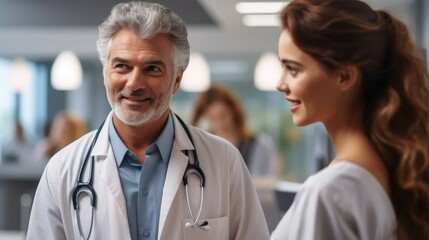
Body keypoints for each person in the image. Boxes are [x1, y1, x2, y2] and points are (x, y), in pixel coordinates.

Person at [27, 2, 269, 240]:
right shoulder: (61, 171)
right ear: (105, 74)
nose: (134, 83)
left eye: (152, 68)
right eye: (121, 66)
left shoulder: (224, 162)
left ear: (176, 79)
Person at [271, 0, 429, 239]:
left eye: (293, 69)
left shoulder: (330, 191)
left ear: (345, 77)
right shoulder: (391, 172)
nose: (280, 84)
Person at [191, 85, 277, 178]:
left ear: (234, 112)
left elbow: (266, 186)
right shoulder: (204, 150)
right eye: (212, 118)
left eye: (222, 115)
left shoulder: (260, 146)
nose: (219, 123)